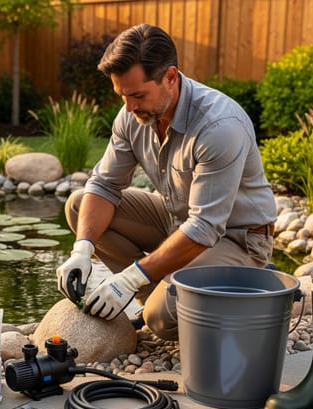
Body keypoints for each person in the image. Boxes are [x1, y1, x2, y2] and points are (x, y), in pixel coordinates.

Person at [56, 23, 277, 341]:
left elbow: (205, 227)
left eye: (137, 95)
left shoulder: (219, 126)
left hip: (236, 237)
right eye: (122, 96)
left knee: (161, 320)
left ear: (170, 77)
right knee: (79, 207)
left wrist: (130, 278)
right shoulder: (133, 114)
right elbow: (104, 185)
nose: (129, 107)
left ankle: (244, 287)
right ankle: (163, 289)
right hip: (179, 220)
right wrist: (81, 249)